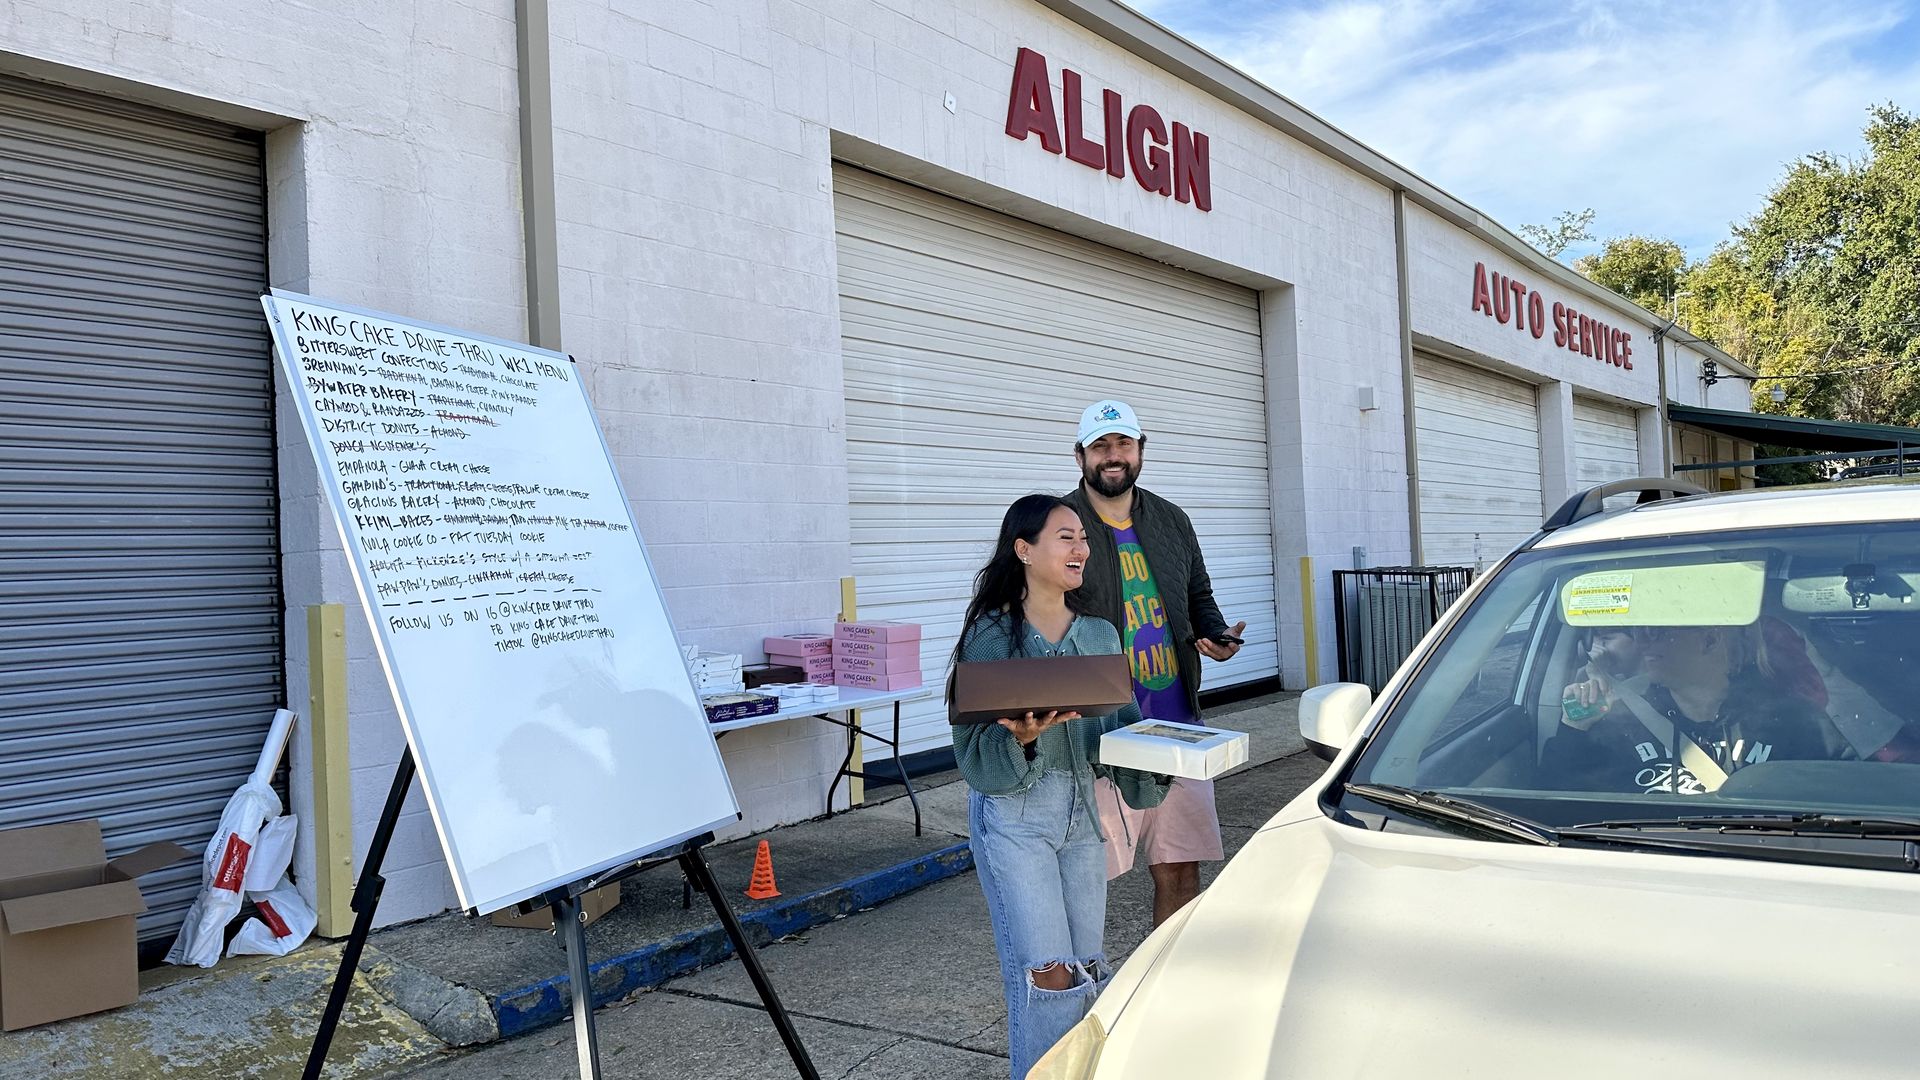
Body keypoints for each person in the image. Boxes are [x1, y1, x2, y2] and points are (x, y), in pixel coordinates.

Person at [949, 493, 1169, 1080]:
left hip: (1081, 818)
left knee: (1088, 969)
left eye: (1083, 538)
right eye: (1065, 537)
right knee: (1048, 974)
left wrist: (1166, 754)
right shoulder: (993, 634)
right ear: (1024, 550)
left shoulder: (1098, 633)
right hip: (1015, 818)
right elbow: (971, 749)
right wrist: (1020, 739)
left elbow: (1119, 730)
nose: (1081, 548)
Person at [1061, 399, 1244, 927]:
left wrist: (1215, 635)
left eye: (1123, 443)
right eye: (1100, 446)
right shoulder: (1062, 525)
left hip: (1177, 726)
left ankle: (1167, 986)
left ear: (1140, 450)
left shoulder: (1171, 520)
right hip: (1100, 734)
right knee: (1087, 875)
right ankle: (1088, 994)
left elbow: (1197, 594)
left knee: (1180, 869)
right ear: (1080, 457)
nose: (1112, 456)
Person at [1541, 622, 1851, 794]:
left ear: (1710, 639)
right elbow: (1556, 800)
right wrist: (1575, 728)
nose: (1644, 642)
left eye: (1658, 632)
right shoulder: (1622, 719)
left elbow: (1839, 804)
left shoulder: (1794, 723)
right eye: (1640, 632)